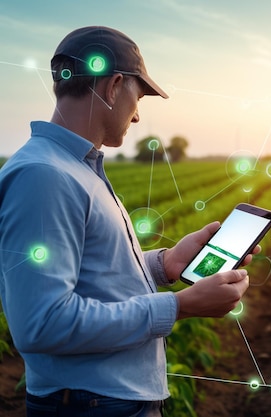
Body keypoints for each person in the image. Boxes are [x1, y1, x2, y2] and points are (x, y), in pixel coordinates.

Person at [0, 26, 253, 416]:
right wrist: (179, 307)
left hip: (105, 402)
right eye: (139, 96)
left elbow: (93, 274)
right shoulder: (44, 176)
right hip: (92, 406)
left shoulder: (73, 168)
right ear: (114, 86)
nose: (137, 116)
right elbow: (42, 322)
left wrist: (163, 265)